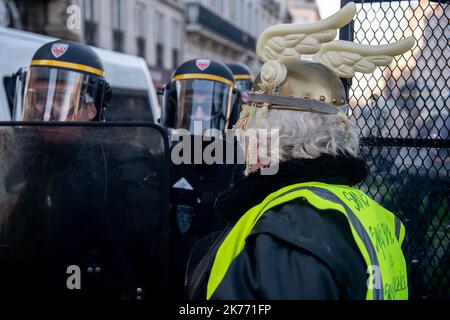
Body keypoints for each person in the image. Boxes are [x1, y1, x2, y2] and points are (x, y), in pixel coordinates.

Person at [185, 2, 415, 300]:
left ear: (276, 134)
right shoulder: (365, 210)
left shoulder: (284, 232)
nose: (240, 133)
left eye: (250, 120)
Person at [0, 40, 166, 300]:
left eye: (60, 98)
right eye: (40, 98)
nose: (46, 111)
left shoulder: (126, 162)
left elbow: (140, 260)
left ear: (91, 107)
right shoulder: (29, 159)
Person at [161, 59, 245, 298]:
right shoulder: (159, 162)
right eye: (191, 106)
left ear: (233, 110)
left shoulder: (242, 168)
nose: (198, 115)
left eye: (210, 107)